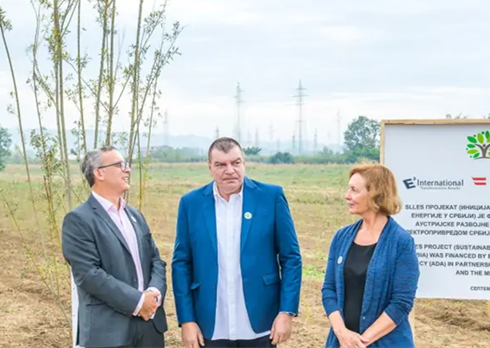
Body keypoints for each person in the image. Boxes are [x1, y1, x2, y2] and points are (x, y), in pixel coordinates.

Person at [171, 137, 302, 348]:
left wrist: (286, 312)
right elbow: (181, 264)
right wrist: (187, 320)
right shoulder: (191, 203)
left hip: (261, 320)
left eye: (236, 162)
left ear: (244, 163)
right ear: (210, 167)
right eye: (221, 165)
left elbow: (291, 258)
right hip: (210, 323)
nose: (229, 170)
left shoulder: (271, 197)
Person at [61, 146, 168, 348]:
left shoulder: (135, 215)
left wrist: (153, 294)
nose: (127, 170)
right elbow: (89, 275)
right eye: (120, 165)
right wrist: (137, 303)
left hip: (149, 329)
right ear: (99, 173)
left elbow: (156, 260)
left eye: (126, 165)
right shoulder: (78, 220)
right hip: (108, 333)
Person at [321, 164, 419, 348]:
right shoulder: (341, 237)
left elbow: (401, 302)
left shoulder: (401, 242)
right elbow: (329, 289)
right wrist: (342, 335)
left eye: (354, 190)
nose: (347, 195)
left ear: (375, 194)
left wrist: (360, 342)